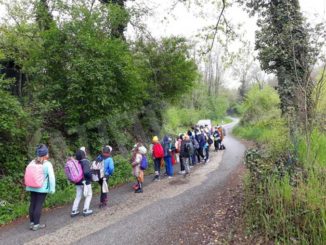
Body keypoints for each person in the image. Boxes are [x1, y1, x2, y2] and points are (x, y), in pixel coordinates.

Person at [25, 144, 55, 231]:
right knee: (38, 205)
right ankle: (36, 225)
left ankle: (32, 223)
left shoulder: (32, 162)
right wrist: (52, 189)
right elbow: (52, 178)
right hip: (41, 188)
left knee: (32, 204)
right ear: (45, 154)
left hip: (31, 186)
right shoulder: (47, 164)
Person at [71, 147, 93, 217]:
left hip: (78, 182)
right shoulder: (85, 161)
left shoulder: (76, 162)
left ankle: (74, 211)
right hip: (85, 182)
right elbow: (86, 172)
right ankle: (86, 210)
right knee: (89, 195)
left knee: (78, 196)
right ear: (84, 154)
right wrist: (91, 177)